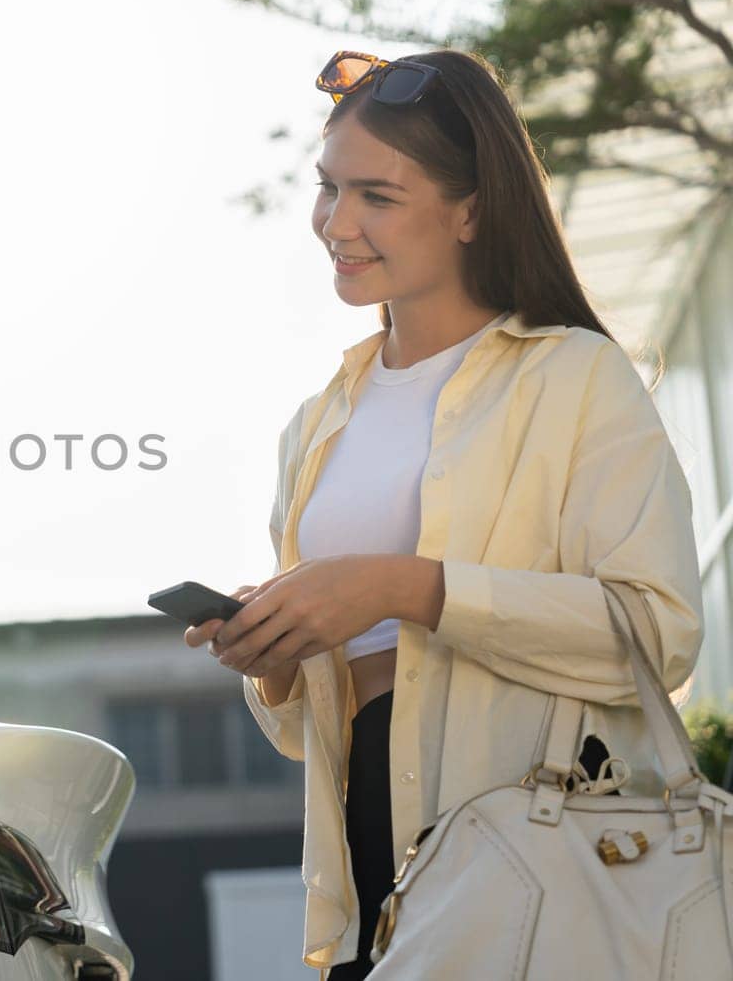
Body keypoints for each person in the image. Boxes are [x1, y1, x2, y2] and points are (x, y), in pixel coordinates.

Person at [182, 49, 704, 979]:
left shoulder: (575, 376)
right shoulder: (315, 427)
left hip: (550, 860)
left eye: (376, 196)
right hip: (370, 866)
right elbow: (312, 736)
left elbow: (657, 634)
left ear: (470, 209)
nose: (336, 223)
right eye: (327, 188)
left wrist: (405, 588)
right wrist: (275, 662)